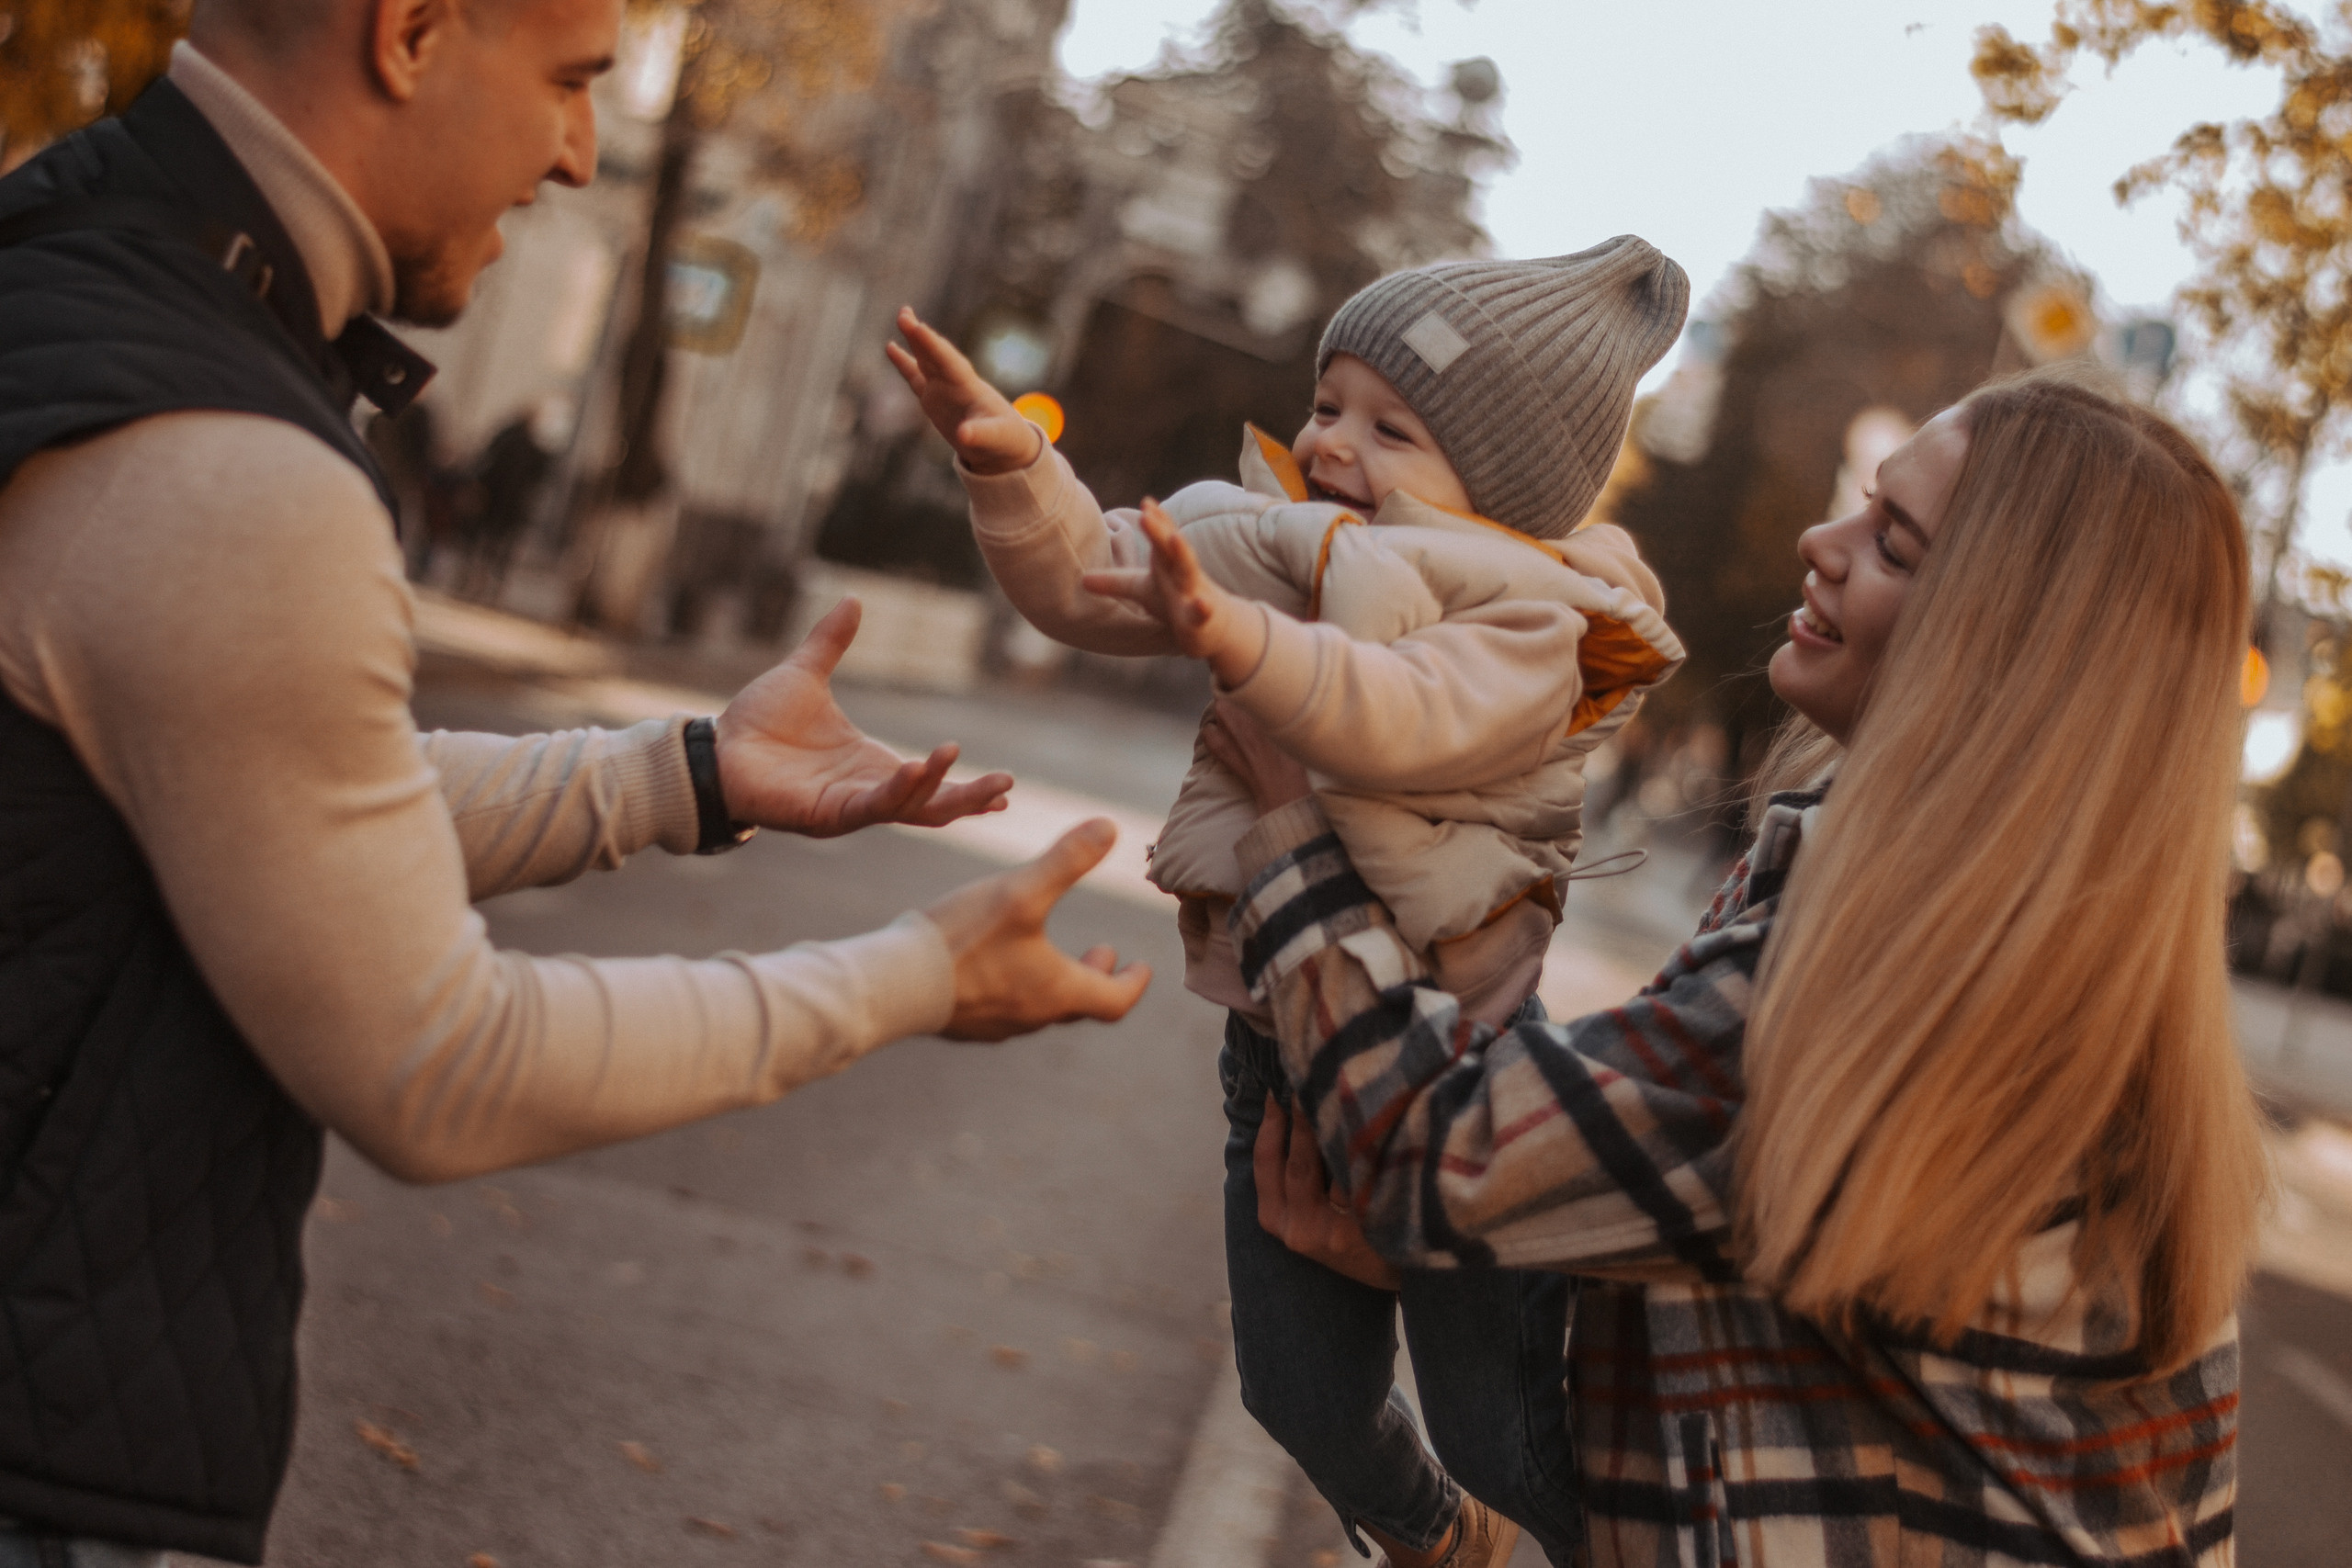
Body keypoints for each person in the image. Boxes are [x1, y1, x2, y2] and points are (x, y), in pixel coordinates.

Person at [0, 1, 1148, 1562]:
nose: (581, 150)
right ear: (408, 33)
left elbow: (253, 790)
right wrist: (912, 977)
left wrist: (681, 773)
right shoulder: (220, 452)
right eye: (567, 82)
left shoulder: (61, 261)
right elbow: (438, 1063)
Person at [1122, 373, 2267, 1566]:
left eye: (1894, 542)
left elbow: (1429, 1149)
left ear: (2005, 649)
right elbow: (1751, 1399)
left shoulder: (1887, 979)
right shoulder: (2089, 983)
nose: (1820, 544)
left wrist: (1297, 821)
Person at [889, 245, 1690, 1568]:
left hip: (1454, 1058)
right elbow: (1087, 575)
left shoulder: (1532, 617)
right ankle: (1441, 1540)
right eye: (1328, 404)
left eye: (1393, 428)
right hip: (1280, 1041)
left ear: (1504, 485)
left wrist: (1245, 649)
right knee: (1294, 1393)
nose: (1333, 443)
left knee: (1502, 1432)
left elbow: (1404, 716)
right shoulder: (1271, 543)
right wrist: (1008, 463)